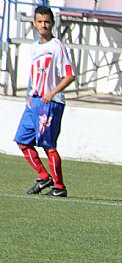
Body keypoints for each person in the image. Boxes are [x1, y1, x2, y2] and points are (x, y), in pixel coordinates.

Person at [14, 6, 76, 197]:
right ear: (34, 24)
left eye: (47, 22)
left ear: (52, 24)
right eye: (40, 22)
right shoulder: (34, 47)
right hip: (34, 102)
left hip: (51, 102)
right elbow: (35, 76)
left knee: (48, 146)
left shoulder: (56, 47)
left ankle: (59, 187)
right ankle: (44, 177)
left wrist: (52, 92)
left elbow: (70, 75)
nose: (43, 25)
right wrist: (28, 99)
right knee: (22, 141)